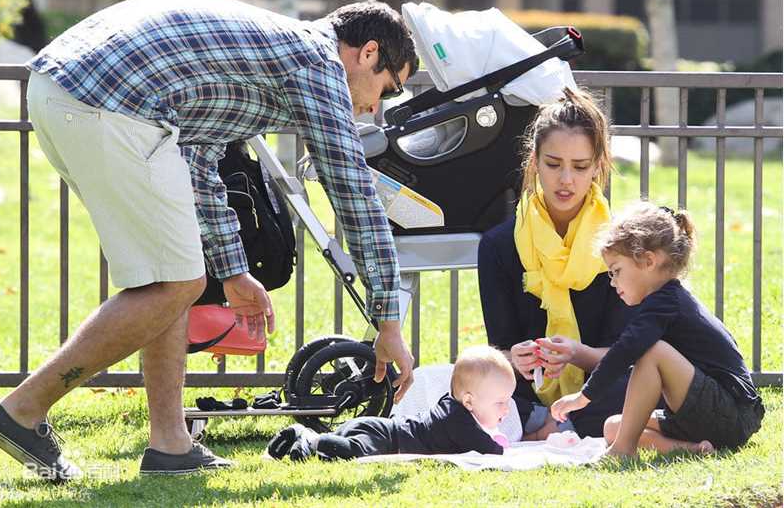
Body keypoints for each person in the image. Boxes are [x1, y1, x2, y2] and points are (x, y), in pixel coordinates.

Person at [0, 0, 418, 481]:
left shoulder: (272, 54)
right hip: (110, 102)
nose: (375, 105)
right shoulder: (316, 61)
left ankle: (170, 445)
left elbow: (197, 160)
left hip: (65, 88)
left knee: (172, 278)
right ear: (368, 53)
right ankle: (22, 410)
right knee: (175, 282)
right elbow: (352, 190)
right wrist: (389, 321)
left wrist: (232, 271)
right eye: (389, 86)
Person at [550, 203, 765, 457]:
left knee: (651, 350)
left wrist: (584, 396)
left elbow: (627, 349)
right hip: (712, 414)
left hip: (732, 413)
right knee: (613, 426)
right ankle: (695, 449)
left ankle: (622, 450)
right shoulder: (665, 301)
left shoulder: (667, 301)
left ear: (648, 260)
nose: (613, 282)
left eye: (616, 271)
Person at [477, 88, 630, 441]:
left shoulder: (620, 244)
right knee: (469, 383)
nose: (566, 180)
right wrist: (513, 359)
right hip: (523, 397)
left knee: (639, 380)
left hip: (601, 391)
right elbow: (499, 347)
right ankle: (553, 425)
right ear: (533, 162)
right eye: (553, 164)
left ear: (598, 166)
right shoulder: (499, 245)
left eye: (580, 167)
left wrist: (576, 355)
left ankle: (556, 426)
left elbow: (626, 352)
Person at [267, 345, 516, 461]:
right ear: (469, 400)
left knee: (335, 452)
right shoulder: (458, 420)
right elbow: (490, 450)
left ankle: (301, 438)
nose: (506, 409)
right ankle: (312, 439)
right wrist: (499, 447)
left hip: (377, 428)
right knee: (354, 452)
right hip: (387, 437)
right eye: (500, 402)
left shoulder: (453, 406)